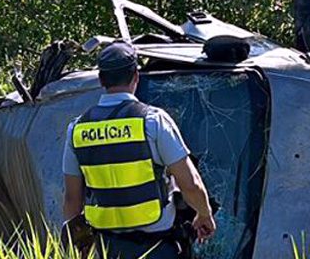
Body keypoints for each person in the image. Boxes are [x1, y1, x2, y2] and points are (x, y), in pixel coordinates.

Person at [62, 41, 216, 258]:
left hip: (108, 248)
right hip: (157, 248)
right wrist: (204, 214)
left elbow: (72, 199)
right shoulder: (153, 121)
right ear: (136, 75)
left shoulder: (77, 130)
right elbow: (190, 183)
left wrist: (79, 244)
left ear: (101, 79)